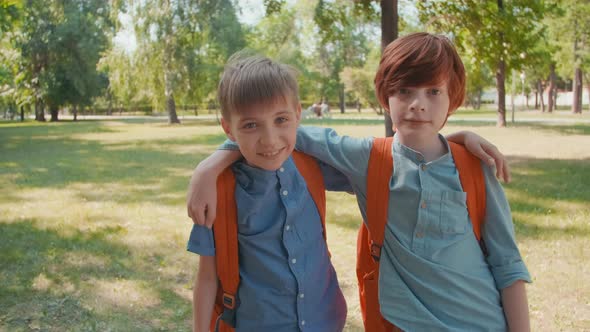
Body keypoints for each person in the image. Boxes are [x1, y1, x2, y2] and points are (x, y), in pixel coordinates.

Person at [188, 33, 530, 331]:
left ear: (453, 98)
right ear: (385, 96)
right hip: (402, 324)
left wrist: (459, 139)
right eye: (405, 90)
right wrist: (211, 165)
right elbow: (279, 133)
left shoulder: (475, 166)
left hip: (482, 322)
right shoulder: (368, 160)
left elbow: (508, 265)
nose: (417, 104)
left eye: (433, 92)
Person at [188, 52, 350, 332]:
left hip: (326, 321)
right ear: (229, 129)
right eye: (251, 125)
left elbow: (385, 163)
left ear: (298, 114)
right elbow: (206, 278)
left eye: (281, 120)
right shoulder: (219, 191)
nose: (270, 140)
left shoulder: (313, 165)